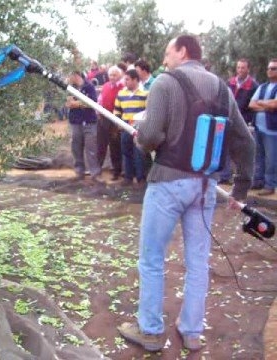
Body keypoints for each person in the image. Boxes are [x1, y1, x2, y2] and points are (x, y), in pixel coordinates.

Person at [117, 35, 255, 352]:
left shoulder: (164, 83)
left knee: (151, 259)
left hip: (167, 183)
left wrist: (140, 139)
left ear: (182, 51)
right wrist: (241, 189)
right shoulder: (222, 87)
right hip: (206, 187)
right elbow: (244, 141)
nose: (164, 60)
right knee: (198, 262)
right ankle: (191, 331)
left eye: (168, 53)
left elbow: (150, 137)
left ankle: (150, 331)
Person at [219, 58, 259, 184]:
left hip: (243, 121)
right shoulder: (229, 83)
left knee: (240, 149)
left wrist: (250, 121)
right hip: (227, 119)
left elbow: (253, 105)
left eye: (243, 68)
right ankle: (225, 176)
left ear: (248, 69)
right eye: (238, 67)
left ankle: (242, 177)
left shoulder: (253, 86)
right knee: (224, 148)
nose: (240, 70)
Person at [65, 71, 103, 183]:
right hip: (75, 121)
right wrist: (82, 102)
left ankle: (95, 173)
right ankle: (79, 172)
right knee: (76, 147)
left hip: (89, 121)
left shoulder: (89, 86)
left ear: (76, 75)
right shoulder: (70, 87)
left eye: (70, 75)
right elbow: (68, 103)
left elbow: (92, 103)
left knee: (91, 148)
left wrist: (76, 103)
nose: (69, 78)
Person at [114, 69, 148, 188]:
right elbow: (117, 110)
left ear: (135, 80)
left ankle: (140, 178)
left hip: (139, 130)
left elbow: (147, 112)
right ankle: (128, 177)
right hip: (125, 128)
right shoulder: (121, 94)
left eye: (127, 79)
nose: (125, 82)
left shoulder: (145, 94)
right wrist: (118, 122)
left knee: (139, 153)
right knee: (126, 152)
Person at [248, 58, 277, 196]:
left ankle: (270, 185)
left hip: (272, 130)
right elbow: (251, 104)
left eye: (273, 68)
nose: (270, 71)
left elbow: (275, 105)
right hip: (259, 128)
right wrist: (267, 106)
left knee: (271, 159)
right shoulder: (262, 86)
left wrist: (262, 103)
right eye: (269, 68)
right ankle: (258, 181)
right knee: (258, 156)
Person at [97, 65, 124, 180]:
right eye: (110, 75)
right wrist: (98, 112)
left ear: (120, 75)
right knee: (100, 144)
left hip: (116, 119)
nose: (112, 77)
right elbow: (100, 100)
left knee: (115, 146)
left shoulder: (123, 88)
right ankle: (97, 169)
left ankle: (116, 171)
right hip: (103, 118)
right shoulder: (106, 86)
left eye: (114, 75)